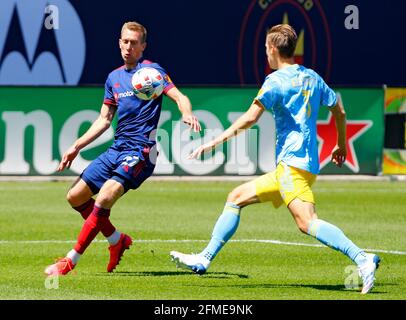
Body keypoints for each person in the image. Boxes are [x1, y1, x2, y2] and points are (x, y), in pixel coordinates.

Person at [170, 24, 380, 294]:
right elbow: (339, 110)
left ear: (272, 49)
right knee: (236, 197)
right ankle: (204, 258)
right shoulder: (312, 77)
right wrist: (340, 145)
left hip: (292, 167)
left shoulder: (275, 81)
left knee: (307, 222)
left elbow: (249, 119)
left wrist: (213, 142)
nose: (265, 54)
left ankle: (362, 259)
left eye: (265, 49)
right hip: (298, 167)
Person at [45, 21, 201, 276]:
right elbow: (104, 119)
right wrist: (76, 146)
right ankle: (117, 240)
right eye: (125, 41)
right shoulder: (114, 78)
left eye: (134, 43)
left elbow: (179, 96)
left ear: (143, 46)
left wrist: (187, 112)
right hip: (117, 148)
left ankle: (70, 260)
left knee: (105, 196)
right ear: (119, 43)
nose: (128, 47)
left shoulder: (152, 72)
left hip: (141, 151)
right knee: (75, 197)